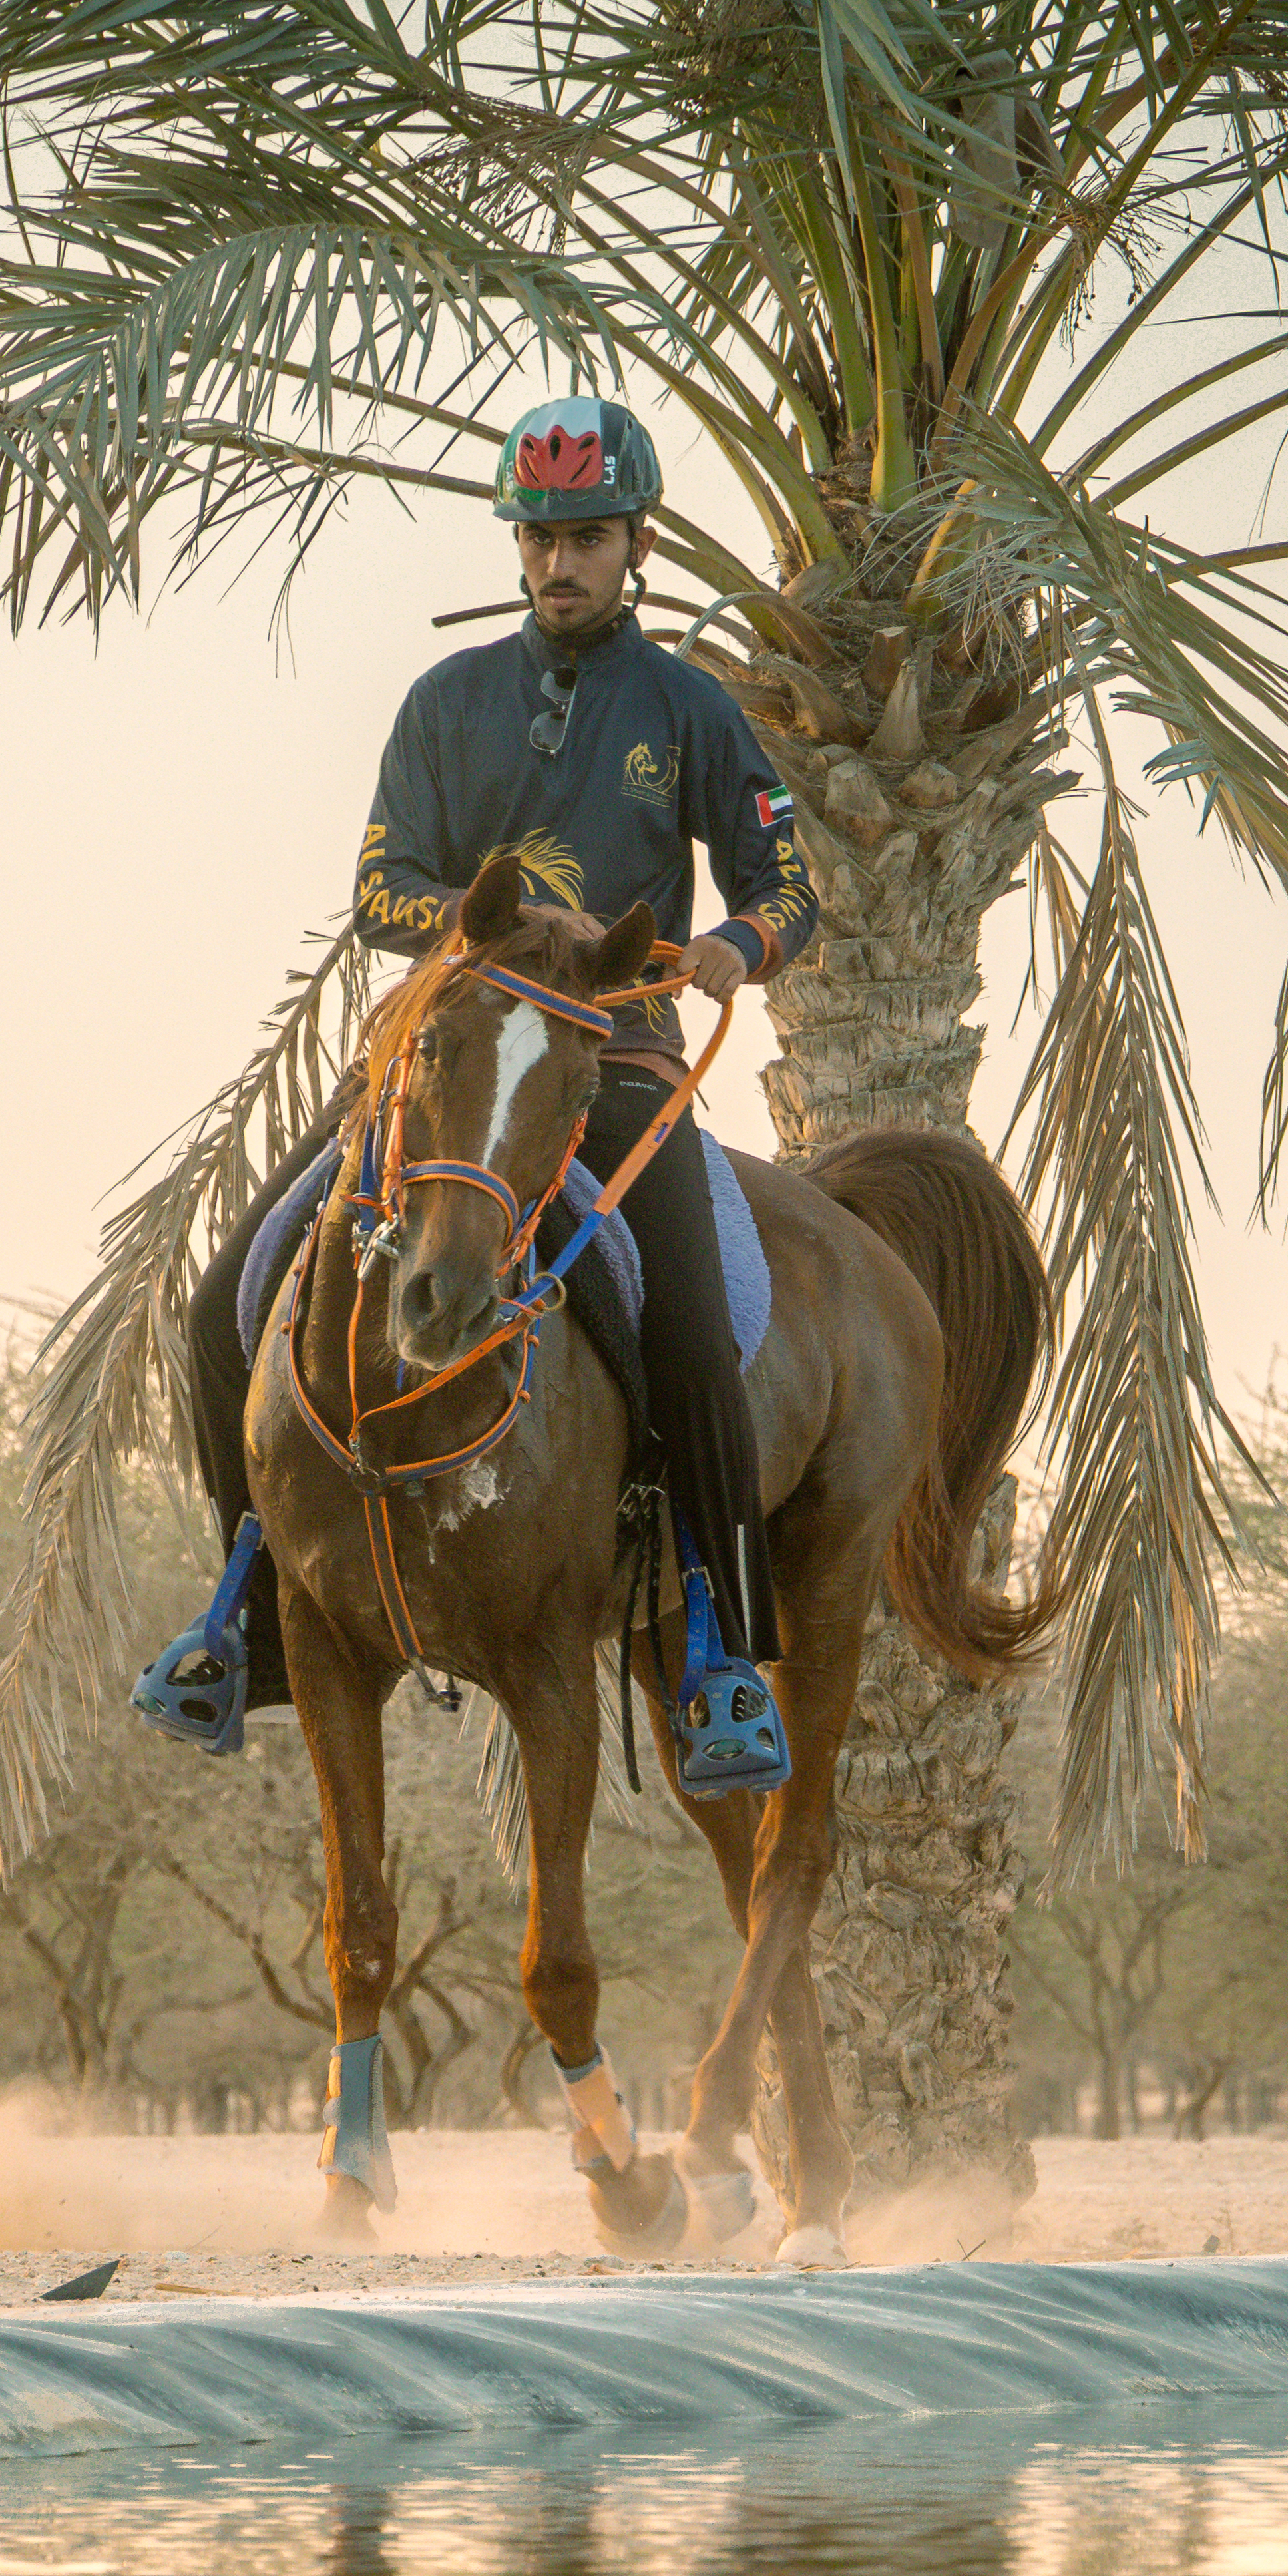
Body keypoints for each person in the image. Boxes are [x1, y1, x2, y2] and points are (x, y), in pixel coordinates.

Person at [144, 393, 819, 1791]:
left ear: (636, 545)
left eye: (587, 538)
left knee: (695, 1338)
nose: (560, 563)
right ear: (516, 546)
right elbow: (381, 889)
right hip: (446, 1063)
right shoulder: (443, 702)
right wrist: (489, 929)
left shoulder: (689, 709)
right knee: (220, 1308)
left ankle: (718, 1654)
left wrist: (735, 946)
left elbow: (785, 884)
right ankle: (249, 1619)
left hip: (615, 1065)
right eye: (539, 538)